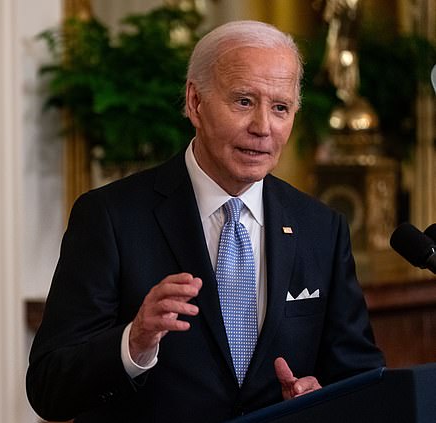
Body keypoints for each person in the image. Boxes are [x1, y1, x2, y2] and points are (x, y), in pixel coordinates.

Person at [26, 20, 384, 423]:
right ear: (195, 103)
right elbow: (48, 387)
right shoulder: (110, 216)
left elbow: (363, 379)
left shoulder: (321, 227)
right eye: (244, 101)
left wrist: (323, 400)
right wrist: (133, 343)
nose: (263, 127)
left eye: (280, 107)